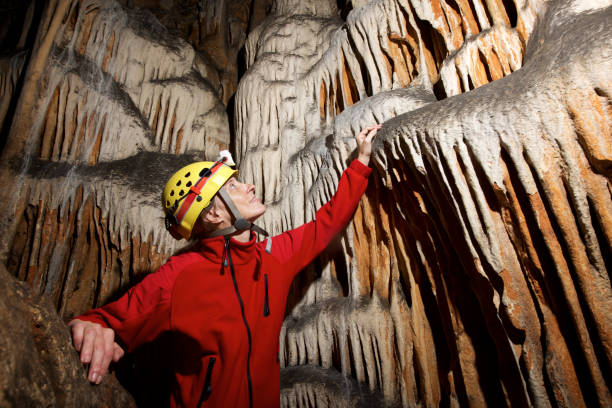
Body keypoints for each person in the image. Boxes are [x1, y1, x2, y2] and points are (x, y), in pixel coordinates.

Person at [68, 124, 381, 407]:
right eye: (233, 187)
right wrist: (92, 327)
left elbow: (327, 223)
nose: (249, 187)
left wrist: (361, 161)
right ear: (212, 215)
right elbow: (109, 320)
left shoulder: (273, 256)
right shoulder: (180, 276)